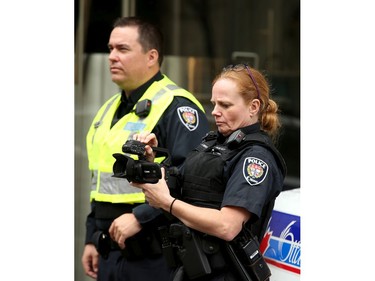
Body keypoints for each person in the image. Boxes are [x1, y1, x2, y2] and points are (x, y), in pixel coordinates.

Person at [81, 16, 209, 281]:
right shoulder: (109, 109)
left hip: (153, 256)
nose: (112, 57)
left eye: (123, 49)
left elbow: (192, 178)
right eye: (110, 49)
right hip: (110, 251)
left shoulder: (176, 106)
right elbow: (100, 182)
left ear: (152, 56)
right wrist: (92, 237)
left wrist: (141, 218)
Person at [130, 64, 287, 281]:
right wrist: (150, 164)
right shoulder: (211, 143)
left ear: (253, 107)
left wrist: (168, 203)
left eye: (225, 105)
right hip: (190, 268)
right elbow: (181, 189)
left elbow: (227, 226)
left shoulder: (256, 157)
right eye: (214, 104)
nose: (215, 111)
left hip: (226, 274)